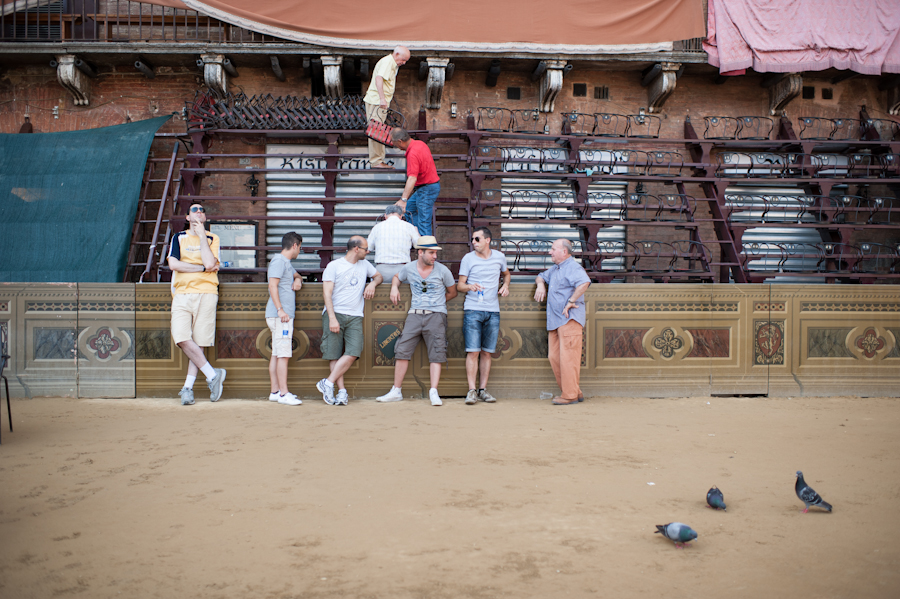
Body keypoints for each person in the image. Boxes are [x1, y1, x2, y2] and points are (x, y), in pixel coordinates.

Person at [376, 236, 457, 406]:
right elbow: (398, 276)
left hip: (436, 315)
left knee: (437, 352)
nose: (435, 256)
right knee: (402, 350)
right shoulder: (410, 268)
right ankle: (396, 391)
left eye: (436, 252)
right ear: (420, 252)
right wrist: (394, 287)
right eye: (431, 252)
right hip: (414, 314)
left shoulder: (443, 270)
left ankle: (433, 392)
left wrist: (438, 304)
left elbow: (452, 291)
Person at [167, 203, 226, 405]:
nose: (199, 212)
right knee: (182, 337)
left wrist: (202, 236)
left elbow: (212, 263)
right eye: (195, 210)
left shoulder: (212, 238)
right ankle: (212, 375)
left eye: (202, 210)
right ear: (187, 217)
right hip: (182, 293)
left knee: (198, 343)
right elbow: (173, 264)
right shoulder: (178, 237)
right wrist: (201, 268)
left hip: (207, 293)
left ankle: (187, 388)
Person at [316, 236, 383, 405]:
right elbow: (327, 294)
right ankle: (341, 392)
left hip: (355, 315)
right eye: (366, 249)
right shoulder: (334, 266)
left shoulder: (365, 265)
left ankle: (328, 383)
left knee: (353, 352)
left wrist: (372, 284)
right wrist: (332, 317)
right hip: (335, 313)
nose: (368, 252)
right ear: (356, 249)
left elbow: (378, 276)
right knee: (334, 354)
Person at [533, 239, 591, 406]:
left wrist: (572, 300)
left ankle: (570, 394)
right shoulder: (556, 269)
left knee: (568, 358)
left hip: (569, 319)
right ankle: (574, 391)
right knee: (555, 357)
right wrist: (540, 286)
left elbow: (584, 282)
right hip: (556, 321)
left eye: (553, 249)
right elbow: (540, 276)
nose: (550, 252)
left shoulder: (572, 267)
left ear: (564, 252)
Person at [456, 227, 510, 405]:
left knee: (487, 353)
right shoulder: (468, 259)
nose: (473, 242)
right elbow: (460, 286)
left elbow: (506, 274)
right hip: (473, 309)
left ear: (487, 240)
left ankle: (483, 390)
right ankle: (471, 391)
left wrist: (505, 285)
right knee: (473, 352)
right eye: (472, 239)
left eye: (477, 239)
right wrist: (470, 286)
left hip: (493, 310)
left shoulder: (499, 257)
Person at [266, 232, 304, 406]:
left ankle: (275, 391)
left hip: (280, 315)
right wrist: (280, 310)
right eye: (300, 248)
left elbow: (297, 275)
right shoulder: (279, 261)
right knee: (283, 355)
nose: (299, 251)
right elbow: (272, 285)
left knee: (277, 353)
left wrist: (298, 280)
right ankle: (283, 393)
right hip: (280, 316)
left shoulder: (286, 263)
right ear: (295, 245)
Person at [364, 45, 410, 169]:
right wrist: (382, 98)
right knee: (375, 131)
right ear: (397, 55)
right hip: (376, 101)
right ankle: (376, 161)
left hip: (377, 101)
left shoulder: (390, 63)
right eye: (403, 59)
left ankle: (378, 160)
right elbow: (379, 79)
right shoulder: (388, 62)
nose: (404, 63)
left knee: (377, 130)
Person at [391, 127, 440, 236]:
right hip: (426, 187)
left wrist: (403, 199)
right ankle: (418, 236)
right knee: (409, 210)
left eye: (394, 143)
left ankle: (426, 248)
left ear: (400, 141)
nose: (395, 146)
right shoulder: (419, 143)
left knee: (424, 221)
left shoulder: (413, 153)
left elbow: (412, 178)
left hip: (427, 188)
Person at [367, 204, 420, 281]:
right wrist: (416, 231)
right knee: (403, 292)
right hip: (403, 269)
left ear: (385, 215)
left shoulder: (377, 227)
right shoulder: (409, 226)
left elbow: (368, 248)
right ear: (401, 216)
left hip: (382, 269)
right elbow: (418, 245)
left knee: (381, 293)